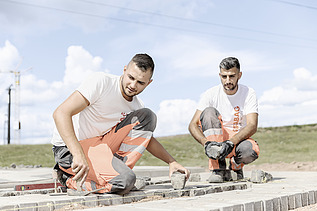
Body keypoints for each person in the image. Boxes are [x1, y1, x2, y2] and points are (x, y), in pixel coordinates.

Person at [51, 53, 190, 194]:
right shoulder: (101, 82)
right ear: (124, 70)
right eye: (131, 77)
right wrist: (77, 154)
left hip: (99, 145)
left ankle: (116, 174)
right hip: (69, 150)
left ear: (149, 83)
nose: (133, 85)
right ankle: (70, 180)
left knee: (147, 116)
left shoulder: (136, 105)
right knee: (125, 181)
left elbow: (146, 139)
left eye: (141, 83)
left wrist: (171, 162)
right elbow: (61, 113)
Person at [188, 57, 259, 183]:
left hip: (237, 140)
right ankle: (218, 169)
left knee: (250, 151)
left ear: (239, 75)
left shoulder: (248, 92)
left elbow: (252, 125)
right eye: (224, 76)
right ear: (219, 75)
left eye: (232, 76)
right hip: (217, 140)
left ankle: (236, 167)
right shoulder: (211, 94)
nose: (227, 81)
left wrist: (231, 143)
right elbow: (193, 125)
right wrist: (206, 143)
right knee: (208, 112)